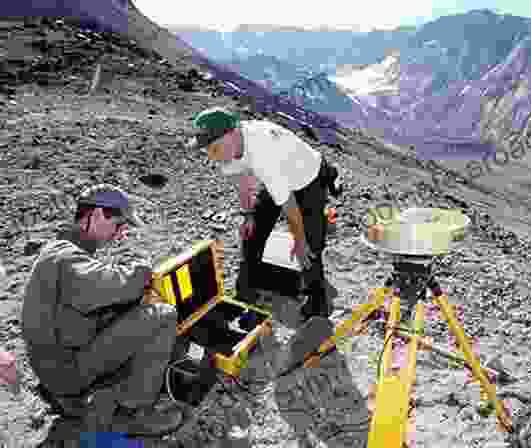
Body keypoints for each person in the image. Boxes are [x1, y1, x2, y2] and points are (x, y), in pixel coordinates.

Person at [20, 184, 184, 436]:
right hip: (65, 370)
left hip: (52, 364)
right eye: (118, 225)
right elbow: (120, 284)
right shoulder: (66, 259)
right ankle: (134, 413)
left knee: (127, 310)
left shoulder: (60, 250)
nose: (119, 234)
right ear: (96, 216)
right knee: (162, 317)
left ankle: (71, 395)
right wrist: (142, 272)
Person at [187, 107, 341, 324]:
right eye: (207, 150)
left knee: (308, 248)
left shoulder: (263, 152)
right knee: (252, 234)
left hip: (307, 178)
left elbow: (289, 206)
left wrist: (299, 240)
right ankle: (246, 292)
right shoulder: (228, 151)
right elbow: (242, 180)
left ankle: (317, 304)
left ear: (232, 134)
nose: (212, 156)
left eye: (214, 147)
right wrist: (248, 214)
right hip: (276, 179)